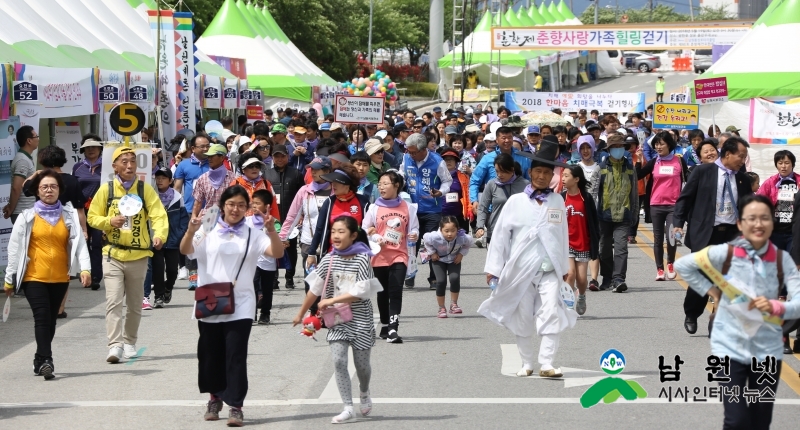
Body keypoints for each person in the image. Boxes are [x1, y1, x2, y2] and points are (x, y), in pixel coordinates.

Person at [674, 194, 800, 429]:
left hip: (767, 350)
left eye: (764, 218)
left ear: (772, 223)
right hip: (729, 348)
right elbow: (684, 265)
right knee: (737, 419)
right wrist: (714, 292)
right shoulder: (726, 253)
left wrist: (776, 306)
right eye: (751, 218)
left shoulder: (782, 260)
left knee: (760, 420)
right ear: (741, 224)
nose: (758, 224)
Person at [181, 185, 282, 427]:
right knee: (210, 355)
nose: (235, 209)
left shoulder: (252, 232)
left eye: (241, 205)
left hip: (242, 303)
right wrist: (190, 230)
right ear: (222, 205)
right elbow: (187, 251)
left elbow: (275, 253)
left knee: (236, 355)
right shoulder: (208, 225)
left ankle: (236, 405)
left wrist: (271, 231)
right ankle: (215, 398)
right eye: (230, 204)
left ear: (247, 209)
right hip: (210, 300)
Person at [478, 138, 576, 378]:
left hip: (550, 269)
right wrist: (494, 269)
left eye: (546, 172)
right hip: (521, 269)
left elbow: (562, 235)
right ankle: (527, 362)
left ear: (552, 175)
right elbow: (500, 236)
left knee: (551, 311)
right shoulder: (516, 201)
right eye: (538, 171)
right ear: (531, 172)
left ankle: (547, 363)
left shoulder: (557, 201)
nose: (542, 176)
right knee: (522, 316)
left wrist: (564, 267)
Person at [4, 169, 92, 380]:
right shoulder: (26, 217)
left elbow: (79, 244)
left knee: (51, 320)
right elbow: (14, 249)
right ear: (37, 191)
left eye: (53, 186)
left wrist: (85, 268)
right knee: (42, 317)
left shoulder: (68, 215)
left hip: (60, 278)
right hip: (33, 277)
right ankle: (47, 360)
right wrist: (9, 278)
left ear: (59, 190)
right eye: (44, 187)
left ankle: (39, 357)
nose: (49, 190)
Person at [294, 216, 382, 424]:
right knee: (338, 360)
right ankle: (348, 407)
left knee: (362, 367)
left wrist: (332, 299)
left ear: (353, 236)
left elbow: (361, 292)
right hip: (337, 319)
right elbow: (315, 289)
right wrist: (301, 313)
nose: (335, 236)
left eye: (341, 232)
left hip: (360, 319)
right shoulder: (328, 259)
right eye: (333, 231)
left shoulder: (362, 259)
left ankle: (364, 391)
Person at [87, 146, 169, 363]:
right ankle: (115, 345)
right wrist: (109, 222)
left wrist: (159, 235)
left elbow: (159, 215)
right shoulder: (107, 190)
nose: (129, 165)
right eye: (124, 161)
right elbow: (92, 217)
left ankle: (130, 341)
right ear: (114, 166)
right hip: (112, 254)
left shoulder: (145, 190)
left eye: (132, 161)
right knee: (113, 301)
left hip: (139, 256)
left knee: (134, 304)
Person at [673, 137, 752, 335]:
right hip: (706, 234)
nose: (743, 160)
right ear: (727, 155)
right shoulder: (702, 171)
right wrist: (677, 224)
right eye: (740, 156)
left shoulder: (742, 178)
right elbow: (685, 199)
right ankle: (692, 313)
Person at [362, 171, 419, 343]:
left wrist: (414, 234)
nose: (381, 187)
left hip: (400, 255)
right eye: (380, 184)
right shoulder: (373, 208)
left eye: (385, 183)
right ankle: (385, 324)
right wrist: (375, 237)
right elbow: (364, 229)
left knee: (395, 290)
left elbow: (414, 228)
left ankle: (393, 328)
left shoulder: (408, 207)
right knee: (383, 292)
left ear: (396, 186)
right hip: (379, 256)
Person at [400, 133, 453, 289]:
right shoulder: (406, 158)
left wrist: (441, 192)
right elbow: (402, 174)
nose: (410, 154)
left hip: (432, 209)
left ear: (423, 150)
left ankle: (434, 278)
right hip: (411, 208)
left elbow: (447, 181)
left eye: (413, 152)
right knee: (411, 244)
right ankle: (410, 274)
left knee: (432, 243)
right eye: (409, 151)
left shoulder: (437, 161)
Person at [280, 156, 332, 311]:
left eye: (317, 169)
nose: (313, 172)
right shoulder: (304, 191)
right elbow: (292, 216)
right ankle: (313, 311)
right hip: (309, 244)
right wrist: (283, 237)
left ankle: (327, 310)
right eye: (312, 169)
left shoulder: (336, 189)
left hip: (331, 243)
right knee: (311, 279)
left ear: (328, 171)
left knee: (329, 279)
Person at [634, 131, 688, 281]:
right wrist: (639, 161)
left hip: (674, 205)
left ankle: (670, 263)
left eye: (661, 144)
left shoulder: (679, 161)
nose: (658, 147)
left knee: (671, 237)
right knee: (658, 239)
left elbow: (688, 180)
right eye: (656, 144)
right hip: (656, 204)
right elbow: (637, 176)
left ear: (669, 145)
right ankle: (659, 269)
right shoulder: (654, 162)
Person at [306, 165, 370, 277]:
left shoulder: (363, 202)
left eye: (337, 181)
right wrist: (311, 253)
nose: (333, 185)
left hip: (357, 258)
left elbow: (369, 229)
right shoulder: (329, 202)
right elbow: (319, 229)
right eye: (332, 181)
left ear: (347, 184)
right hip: (332, 256)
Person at [595, 134, 639, 292]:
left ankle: (619, 279)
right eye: (614, 148)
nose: (618, 150)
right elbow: (595, 193)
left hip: (624, 215)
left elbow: (634, 192)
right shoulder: (601, 168)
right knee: (604, 248)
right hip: (604, 215)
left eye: (620, 147)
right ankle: (607, 278)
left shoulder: (629, 167)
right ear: (609, 150)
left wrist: (634, 213)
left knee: (621, 248)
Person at [263, 144, 305, 289]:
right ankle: (274, 278)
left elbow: (303, 196)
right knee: (272, 248)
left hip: (291, 218)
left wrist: (301, 215)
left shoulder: (296, 174)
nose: (280, 159)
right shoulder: (266, 174)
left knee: (291, 249)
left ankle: (289, 277)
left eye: (282, 156)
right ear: (272, 158)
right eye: (276, 156)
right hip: (272, 219)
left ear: (287, 156)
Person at [174, 134, 212, 286]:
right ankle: (193, 274)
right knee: (192, 240)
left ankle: (208, 273)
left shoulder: (214, 163)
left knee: (209, 242)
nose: (205, 149)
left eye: (207, 146)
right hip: (191, 210)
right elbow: (177, 188)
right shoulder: (184, 165)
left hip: (210, 210)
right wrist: (176, 208)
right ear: (193, 148)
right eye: (202, 146)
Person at [561, 166, 599, 316]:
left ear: (576, 179)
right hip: (566, 243)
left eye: (566, 176)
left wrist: (595, 241)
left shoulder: (586, 198)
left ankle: (581, 296)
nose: (563, 179)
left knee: (582, 279)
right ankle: (568, 304)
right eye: (562, 176)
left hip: (583, 243)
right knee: (570, 274)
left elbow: (594, 222)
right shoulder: (561, 197)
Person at [423, 215, 473, 318]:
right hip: (439, 260)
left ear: (457, 229)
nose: (450, 234)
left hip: (454, 260)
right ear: (441, 230)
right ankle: (441, 308)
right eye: (446, 231)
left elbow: (468, 243)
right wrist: (432, 253)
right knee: (441, 281)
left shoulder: (463, 237)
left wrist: (461, 254)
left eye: (453, 231)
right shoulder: (434, 237)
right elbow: (425, 240)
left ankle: (454, 305)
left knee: (454, 278)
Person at [151, 168, 188, 308]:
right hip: (157, 239)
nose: (160, 180)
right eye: (158, 177)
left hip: (173, 240)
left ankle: (168, 287)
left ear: (170, 181)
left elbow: (184, 220)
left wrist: (179, 235)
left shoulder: (178, 197)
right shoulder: (151, 196)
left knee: (172, 270)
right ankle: (158, 297)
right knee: (158, 269)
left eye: (163, 178)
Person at [72, 134, 105, 290]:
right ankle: (86, 273)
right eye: (87, 147)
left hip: (100, 210)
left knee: (97, 243)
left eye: (94, 146)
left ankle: (97, 276)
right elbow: (73, 188)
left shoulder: (108, 166)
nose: (91, 150)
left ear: (100, 148)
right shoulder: (77, 167)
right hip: (81, 210)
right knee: (83, 242)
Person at [475, 153, 529, 245]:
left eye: (503, 171)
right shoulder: (492, 184)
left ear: (512, 170)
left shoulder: (525, 185)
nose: (499, 175)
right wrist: (480, 227)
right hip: (496, 231)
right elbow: (483, 207)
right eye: (497, 171)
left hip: (518, 233)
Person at [246, 189, 279, 325]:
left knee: (267, 289)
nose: (254, 206)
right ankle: (251, 313)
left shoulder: (273, 222)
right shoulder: (246, 221)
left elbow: (279, 238)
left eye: (257, 203)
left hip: (268, 262)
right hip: (252, 262)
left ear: (267, 207)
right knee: (251, 287)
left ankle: (265, 313)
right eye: (252, 203)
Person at [756, 150, 799, 252]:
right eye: (780, 163)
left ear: (792, 164)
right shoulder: (770, 182)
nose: (783, 166)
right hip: (775, 231)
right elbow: (758, 201)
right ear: (776, 165)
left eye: (787, 163)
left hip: (794, 231)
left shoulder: (798, 181)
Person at [230, 152, 281, 220]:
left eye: (257, 166)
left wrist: (276, 226)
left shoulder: (266, 184)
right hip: (240, 225)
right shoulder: (236, 184)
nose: (254, 168)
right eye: (250, 166)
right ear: (243, 169)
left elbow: (273, 205)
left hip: (263, 226)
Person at [3, 126, 38, 224]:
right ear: (29, 141)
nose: (38, 139)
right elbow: (16, 187)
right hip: (23, 213)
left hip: (26, 212)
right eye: (36, 136)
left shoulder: (26, 158)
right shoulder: (22, 160)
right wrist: (11, 208)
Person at [439, 148, 472, 232]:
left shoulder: (463, 176)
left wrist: (469, 209)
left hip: (459, 215)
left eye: (451, 159)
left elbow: (468, 194)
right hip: (440, 214)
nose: (448, 162)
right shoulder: (436, 176)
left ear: (456, 162)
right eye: (446, 160)